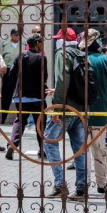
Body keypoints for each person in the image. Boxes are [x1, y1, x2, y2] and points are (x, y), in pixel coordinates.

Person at [44, 27, 87, 199]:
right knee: (79, 148)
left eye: (57, 38)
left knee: (49, 141)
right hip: (80, 109)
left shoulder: (62, 54)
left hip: (66, 109)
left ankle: (60, 184)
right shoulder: (82, 54)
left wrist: (56, 107)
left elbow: (63, 79)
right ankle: (81, 187)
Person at [79, 29, 107, 194]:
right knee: (99, 150)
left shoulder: (79, 59)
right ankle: (101, 184)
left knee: (81, 150)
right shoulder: (105, 60)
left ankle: (82, 183)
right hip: (100, 111)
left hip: (80, 111)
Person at [6, 33, 47, 160]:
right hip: (37, 97)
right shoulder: (41, 57)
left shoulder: (20, 55)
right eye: (41, 42)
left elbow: (12, 73)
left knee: (20, 120)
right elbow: (44, 77)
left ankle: (12, 143)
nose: (42, 44)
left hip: (20, 96)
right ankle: (43, 149)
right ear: (37, 43)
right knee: (40, 123)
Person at [0, 28, 21, 124]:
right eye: (15, 35)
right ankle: (2, 118)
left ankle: (21, 118)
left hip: (20, 71)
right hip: (8, 70)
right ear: (11, 35)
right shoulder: (5, 45)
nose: (17, 37)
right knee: (6, 95)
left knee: (21, 94)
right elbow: (1, 58)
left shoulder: (23, 45)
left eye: (18, 35)